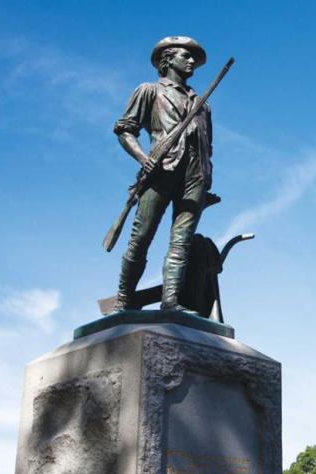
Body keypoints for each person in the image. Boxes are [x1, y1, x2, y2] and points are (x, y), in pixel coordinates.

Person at [112, 36, 214, 312]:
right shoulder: (149, 91)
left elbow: (208, 146)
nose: (192, 61)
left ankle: (170, 302)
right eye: (186, 55)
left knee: (181, 242)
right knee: (142, 237)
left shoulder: (202, 105)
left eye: (193, 57)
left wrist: (206, 180)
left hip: (196, 175)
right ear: (168, 59)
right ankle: (124, 298)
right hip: (161, 170)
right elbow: (125, 129)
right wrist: (143, 159)